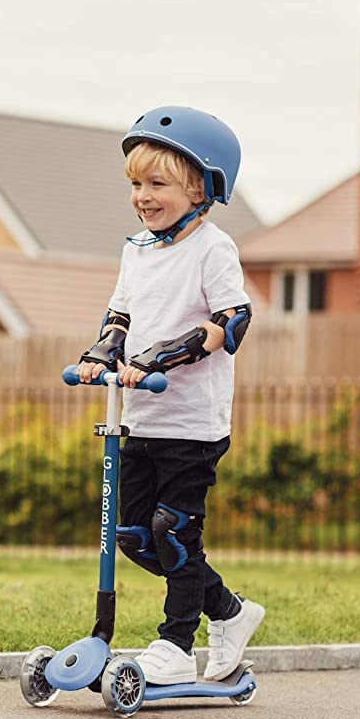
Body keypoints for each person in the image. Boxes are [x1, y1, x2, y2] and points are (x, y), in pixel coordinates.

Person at [74, 106, 264, 685]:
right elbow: (121, 313)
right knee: (132, 533)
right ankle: (230, 612)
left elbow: (232, 320)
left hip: (193, 424)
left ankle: (177, 643)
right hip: (142, 416)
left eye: (158, 184)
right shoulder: (137, 248)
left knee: (173, 529)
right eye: (136, 183)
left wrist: (164, 356)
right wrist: (102, 354)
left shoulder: (213, 248)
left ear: (202, 187)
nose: (143, 196)